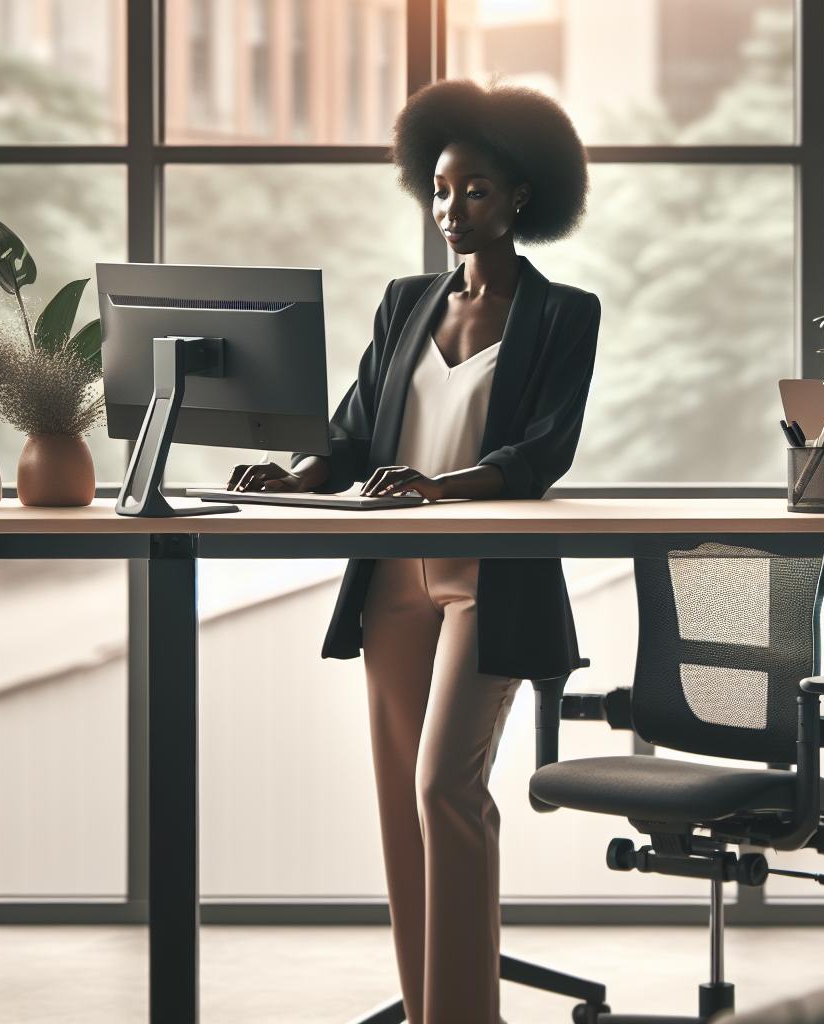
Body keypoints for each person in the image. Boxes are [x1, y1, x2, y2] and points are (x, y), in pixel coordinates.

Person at [229, 79, 599, 1022]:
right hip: (393, 574)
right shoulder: (405, 304)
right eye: (439, 190)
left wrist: (444, 487)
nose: (450, 209)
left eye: (474, 190)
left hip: (489, 578)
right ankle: (427, 1006)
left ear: (521, 196)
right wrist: (296, 476)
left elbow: (542, 450)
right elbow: (354, 433)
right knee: (402, 806)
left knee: (447, 788)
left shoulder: (565, 315)